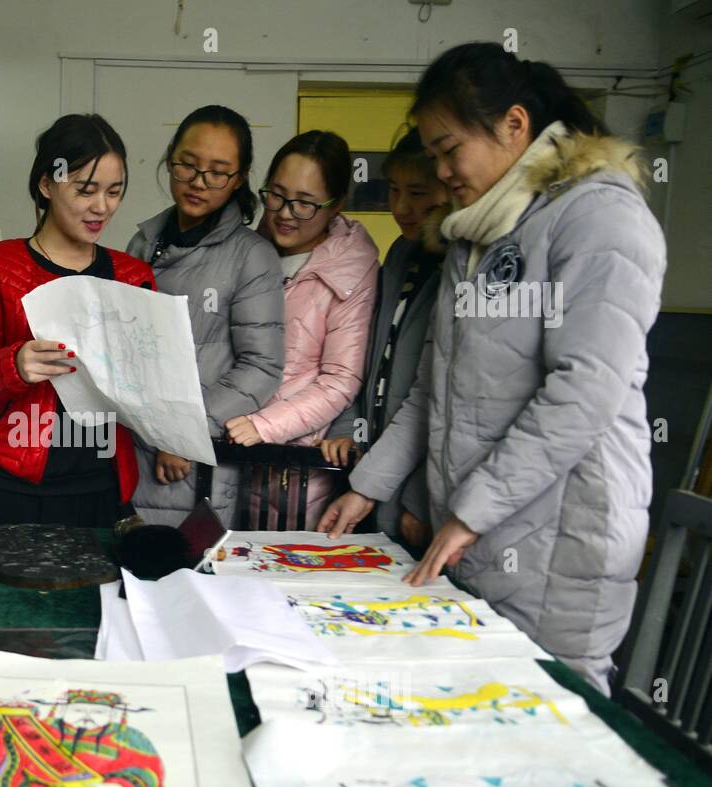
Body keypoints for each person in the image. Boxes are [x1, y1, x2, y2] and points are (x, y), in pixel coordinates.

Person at [320, 42, 666, 694]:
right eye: (434, 154)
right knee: (477, 697)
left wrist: (472, 511)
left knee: (555, 707)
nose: (442, 171)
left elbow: (582, 392)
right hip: (480, 527)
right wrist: (367, 487)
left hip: (565, 535)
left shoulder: (600, 217)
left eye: (450, 150)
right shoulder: (475, 235)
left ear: (514, 124)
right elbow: (431, 390)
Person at [0, 114, 154, 527]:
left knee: (101, 594)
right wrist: (15, 365)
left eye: (115, 192)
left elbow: (147, 391)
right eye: (86, 190)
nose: (103, 207)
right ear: (47, 184)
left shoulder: (133, 276)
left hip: (101, 486)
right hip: (12, 490)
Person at [125, 105, 284, 527]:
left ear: (241, 177)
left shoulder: (252, 257)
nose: (199, 182)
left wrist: (180, 433)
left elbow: (262, 367)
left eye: (218, 172)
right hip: (130, 448)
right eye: (188, 166)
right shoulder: (141, 243)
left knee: (183, 578)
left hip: (193, 460)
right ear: (170, 157)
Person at [225, 130, 379, 529]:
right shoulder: (243, 251)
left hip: (295, 469)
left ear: (336, 205)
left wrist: (265, 426)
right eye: (276, 195)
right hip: (227, 455)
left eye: (305, 204)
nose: (285, 212)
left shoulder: (352, 270)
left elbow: (340, 380)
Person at [321, 127, 450, 551]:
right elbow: (373, 357)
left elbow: (433, 402)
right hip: (377, 472)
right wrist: (350, 429)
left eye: (417, 193)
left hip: (423, 489)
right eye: (394, 190)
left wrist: (418, 500)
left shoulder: (462, 267)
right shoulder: (400, 253)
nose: (402, 207)